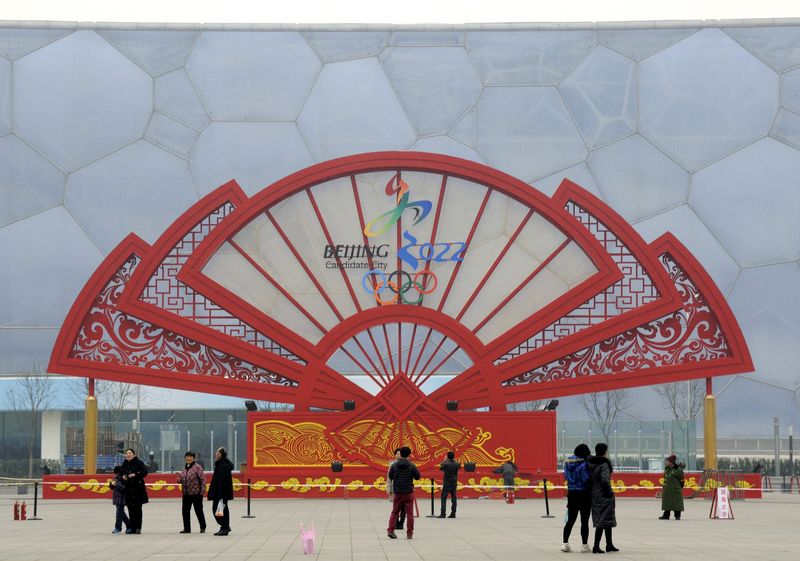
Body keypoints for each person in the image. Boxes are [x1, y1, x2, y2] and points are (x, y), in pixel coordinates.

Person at [588, 442, 618, 554]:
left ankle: (609, 544)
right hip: (604, 495)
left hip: (595, 494)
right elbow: (605, 480)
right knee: (603, 520)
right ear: (605, 451)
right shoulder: (604, 464)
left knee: (606, 520)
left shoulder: (592, 463)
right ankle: (596, 546)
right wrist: (609, 492)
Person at [561, 443, 592, 553]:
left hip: (572, 493)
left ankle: (565, 544)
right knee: (584, 521)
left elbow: (565, 476)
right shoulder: (584, 464)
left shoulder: (568, 462)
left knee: (570, 520)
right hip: (584, 494)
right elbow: (586, 478)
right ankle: (584, 545)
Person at [387, 446, 420, 540]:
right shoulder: (411, 465)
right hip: (408, 492)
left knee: (394, 512)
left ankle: (390, 530)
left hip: (397, 492)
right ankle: (409, 533)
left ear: (400, 454)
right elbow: (417, 477)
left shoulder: (394, 465)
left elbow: (390, 476)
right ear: (409, 455)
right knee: (409, 513)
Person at [120, 448, 148, 534]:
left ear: (134, 454)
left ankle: (138, 528)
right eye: (127, 453)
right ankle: (132, 527)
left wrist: (135, 474)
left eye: (130, 453)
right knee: (130, 509)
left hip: (138, 489)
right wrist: (123, 477)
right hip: (128, 489)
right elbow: (121, 474)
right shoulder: (124, 463)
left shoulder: (139, 463)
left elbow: (145, 472)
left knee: (138, 509)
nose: (128, 455)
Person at [177, 451, 207, 533]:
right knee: (185, 511)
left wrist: (202, 490)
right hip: (186, 493)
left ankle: (202, 526)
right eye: (187, 456)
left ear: (194, 458)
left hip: (196, 493)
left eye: (190, 457)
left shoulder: (197, 467)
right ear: (185, 458)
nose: (188, 458)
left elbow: (203, 479)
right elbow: (182, 478)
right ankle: (187, 528)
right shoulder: (184, 468)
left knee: (198, 510)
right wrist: (179, 479)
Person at [207, 446, 234, 536]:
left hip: (221, 493)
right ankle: (223, 527)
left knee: (219, 510)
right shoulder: (219, 464)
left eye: (218, 453)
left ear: (222, 455)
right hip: (218, 492)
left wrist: (221, 494)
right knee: (220, 510)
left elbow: (223, 482)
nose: (216, 454)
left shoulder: (223, 466)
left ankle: (225, 527)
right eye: (216, 452)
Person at [659, 454, 685, 520]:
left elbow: (682, 480)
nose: (666, 462)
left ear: (671, 462)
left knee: (677, 503)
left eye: (667, 461)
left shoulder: (678, 470)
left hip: (675, 489)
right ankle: (666, 515)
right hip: (667, 489)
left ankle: (677, 515)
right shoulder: (667, 469)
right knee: (667, 502)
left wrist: (679, 487)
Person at [387, 448, 406, 530]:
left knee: (403, 508)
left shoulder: (407, 464)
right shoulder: (392, 465)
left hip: (405, 489)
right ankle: (396, 522)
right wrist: (389, 489)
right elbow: (389, 478)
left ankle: (401, 522)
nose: (398, 455)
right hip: (395, 489)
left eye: (400, 454)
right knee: (396, 508)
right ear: (394, 455)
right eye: (397, 454)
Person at [438, 450, 460, 518]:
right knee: (454, 499)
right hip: (454, 483)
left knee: (443, 498)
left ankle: (443, 513)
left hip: (447, 483)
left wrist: (444, 460)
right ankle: (453, 513)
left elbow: (440, 468)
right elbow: (458, 467)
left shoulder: (445, 464)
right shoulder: (457, 464)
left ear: (447, 456)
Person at [109, 465, 130, 534]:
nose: (115, 474)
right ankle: (129, 525)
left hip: (122, 499)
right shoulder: (115, 478)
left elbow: (125, 488)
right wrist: (111, 485)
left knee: (119, 514)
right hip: (116, 498)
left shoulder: (124, 478)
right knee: (121, 514)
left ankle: (118, 528)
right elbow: (112, 487)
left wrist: (116, 484)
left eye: (116, 473)